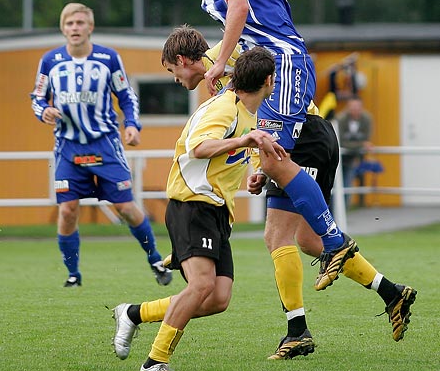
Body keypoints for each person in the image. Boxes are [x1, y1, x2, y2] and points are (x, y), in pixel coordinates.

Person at [160, 25, 417, 356]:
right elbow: (253, 117)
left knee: (276, 236)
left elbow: (265, 91)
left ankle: (298, 332)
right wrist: (257, 165)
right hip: (303, 135)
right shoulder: (221, 76)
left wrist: (265, 159)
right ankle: (391, 293)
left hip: (301, 136)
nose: (175, 80)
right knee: (310, 242)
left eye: (171, 71)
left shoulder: (223, 63)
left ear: (183, 59)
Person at [112, 48, 289, 370]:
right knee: (201, 286)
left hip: (217, 211)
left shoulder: (248, 112)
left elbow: (236, 151)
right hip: (193, 204)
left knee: (217, 298)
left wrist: (256, 175)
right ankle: (155, 362)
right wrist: (244, 142)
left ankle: (133, 313)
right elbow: (199, 147)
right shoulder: (225, 107)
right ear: (268, 80)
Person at [30, 2, 172, 288]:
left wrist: (132, 124)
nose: (75, 29)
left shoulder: (108, 58)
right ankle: (73, 273)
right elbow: (37, 97)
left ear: (90, 27)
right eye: (70, 24)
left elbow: (126, 96)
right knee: (68, 209)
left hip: (105, 145)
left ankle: (155, 258)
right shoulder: (50, 61)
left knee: (126, 208)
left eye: (80, 23)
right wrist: (43, 111)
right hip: (68, 148)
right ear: (63, 28)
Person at [337, 95, 381, 208]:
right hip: (338, 158)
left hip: (354, 158)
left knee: (347, 184)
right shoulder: (340, 119)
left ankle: (343, 212)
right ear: (348, 107)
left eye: (357, 107)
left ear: (361, 107)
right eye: (352, 107)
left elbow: (367, 139)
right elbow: (340, 141)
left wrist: (358, 146)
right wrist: (360, 144)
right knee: (335, 186)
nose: (355, 110)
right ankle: (335, 211)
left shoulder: (367, 119)